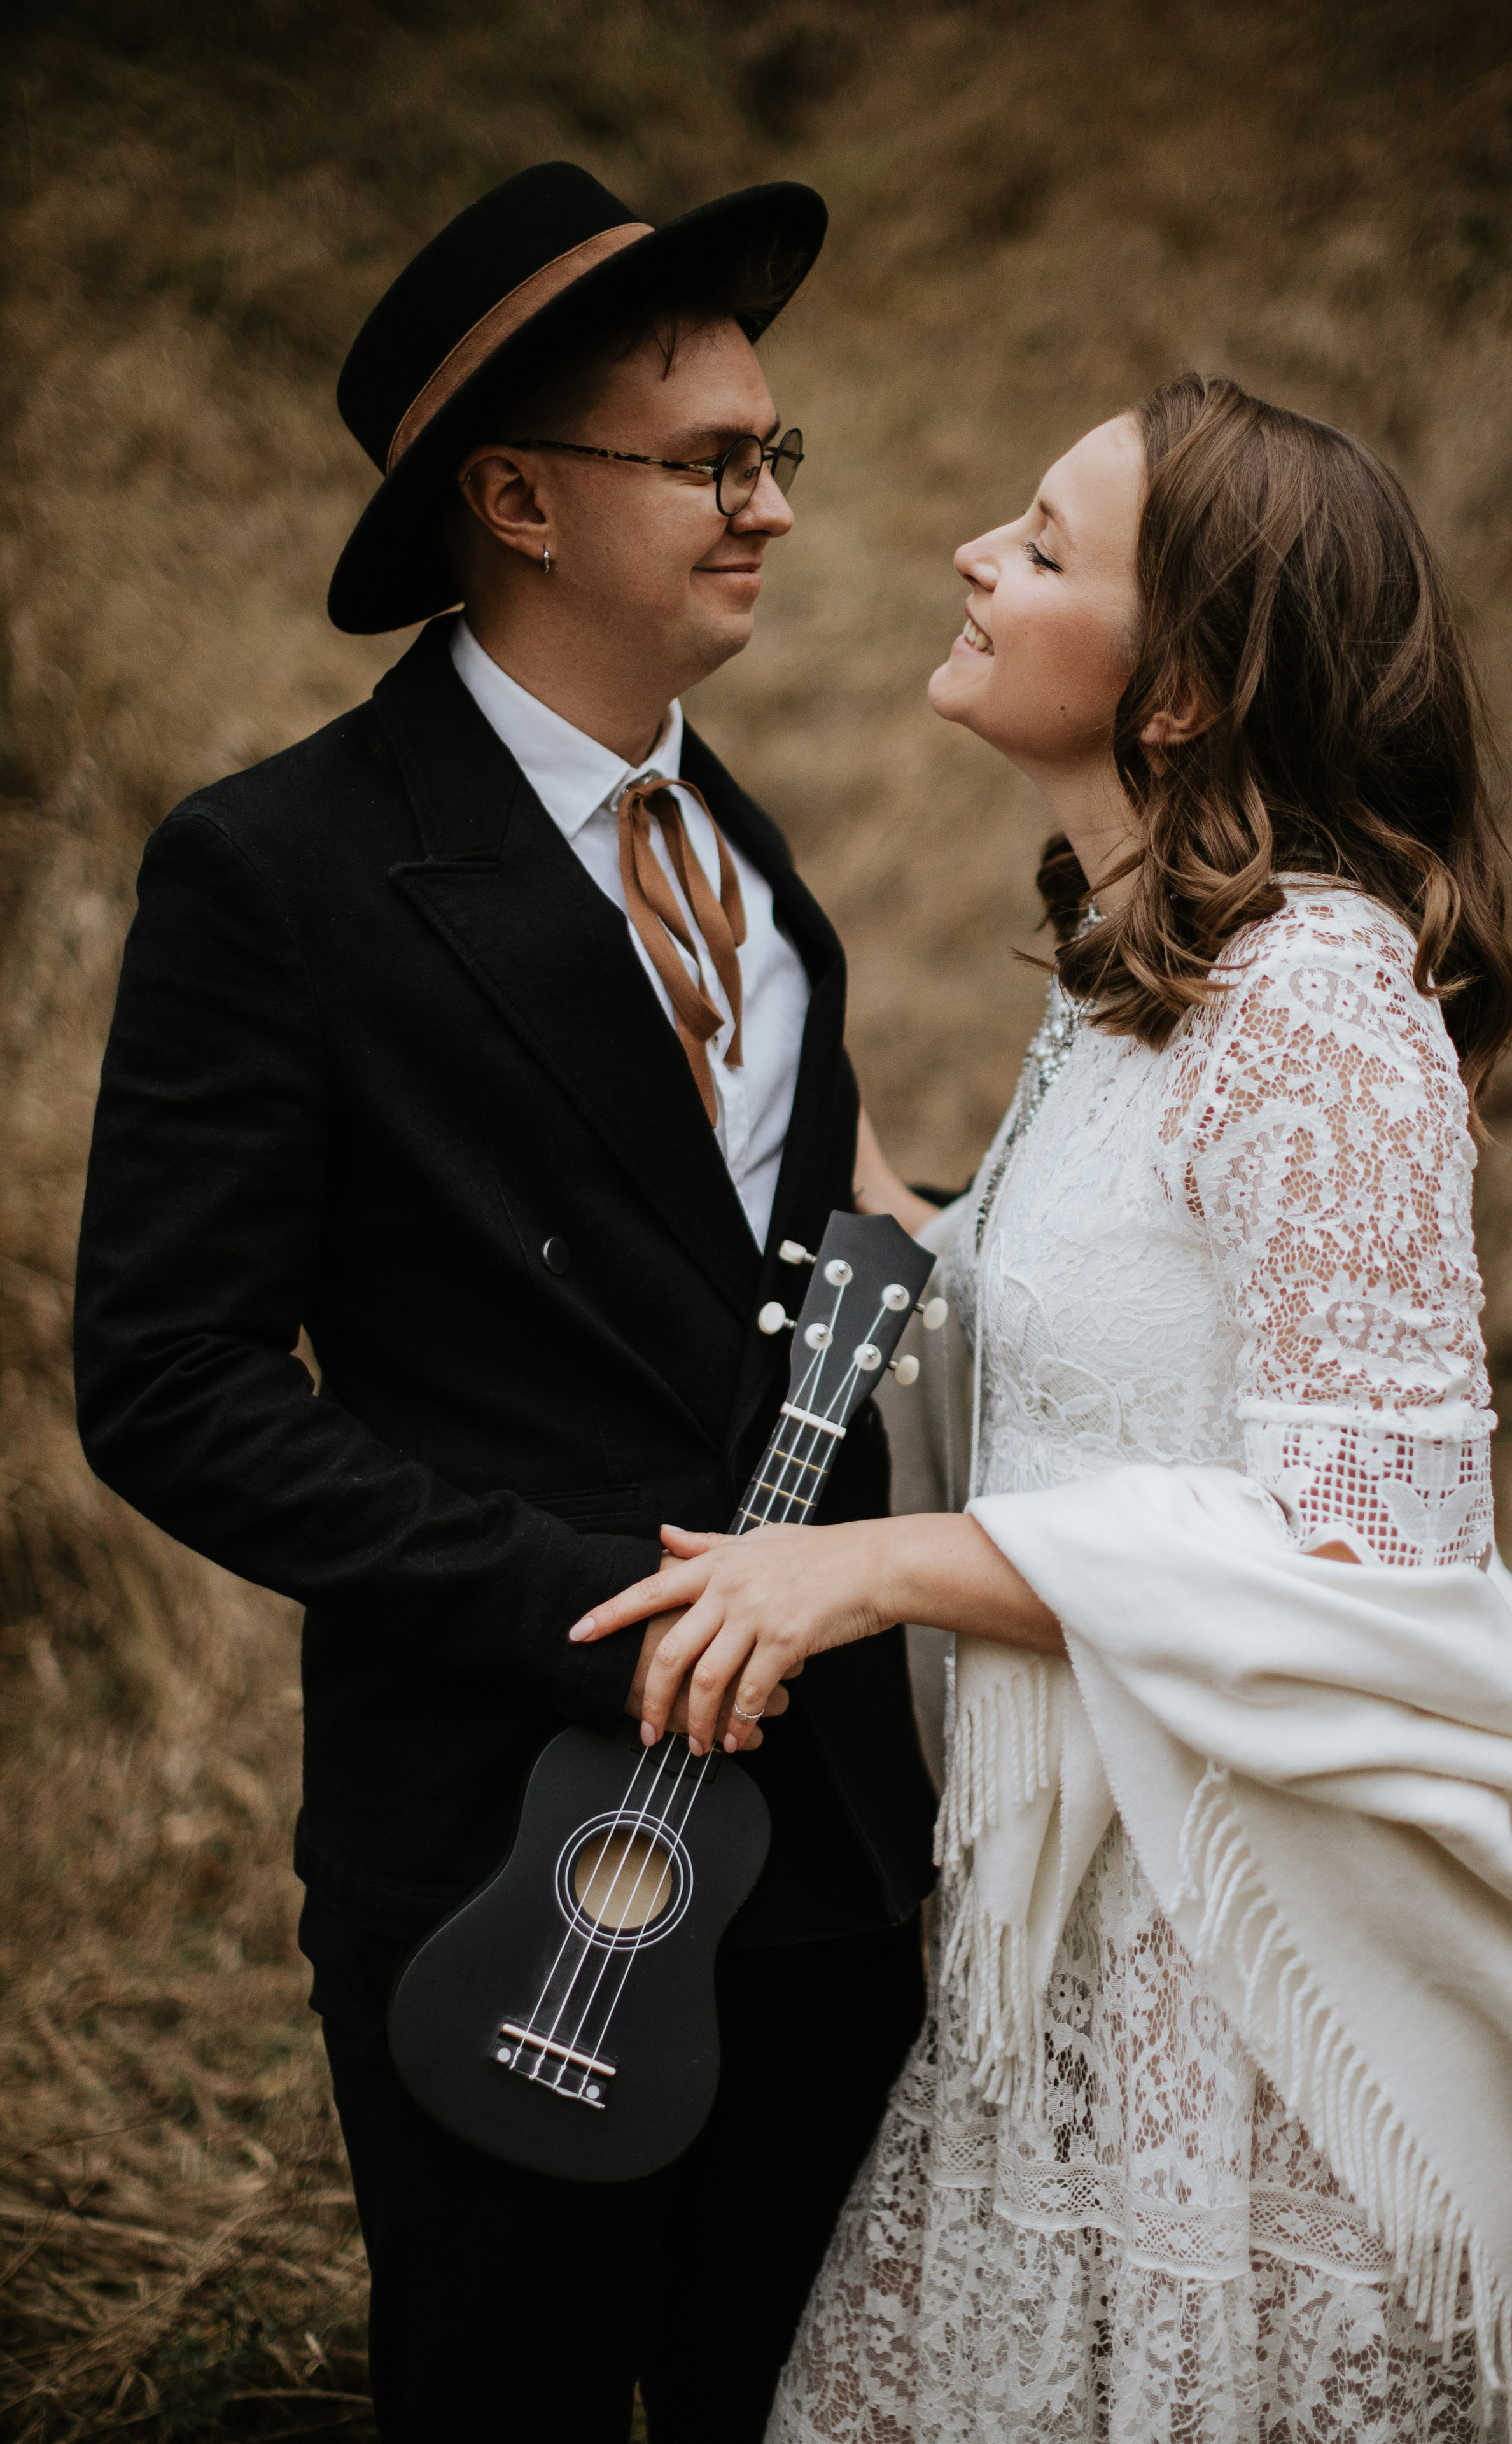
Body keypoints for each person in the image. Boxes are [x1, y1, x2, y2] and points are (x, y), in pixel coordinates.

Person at [577, 373, 1512, 2443]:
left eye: (1046, 548)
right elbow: (1022, 1321)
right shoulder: (1129, 982)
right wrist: (737, 1054)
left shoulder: (1321, 1003)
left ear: (1179, 696)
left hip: (1238, 1940)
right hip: (1064, 1891)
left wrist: (875, 1566)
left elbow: (1374, 1549)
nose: (974, 553)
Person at [72, 162, 938, 2444]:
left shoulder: (761, 879)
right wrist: (589, 1600)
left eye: (777, 456)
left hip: (828, 1830)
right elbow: (165, 1384)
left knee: (794, 2400)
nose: (766, 508)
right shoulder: (277, 872)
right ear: (517, 498)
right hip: (496, 1835)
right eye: (710, 465)